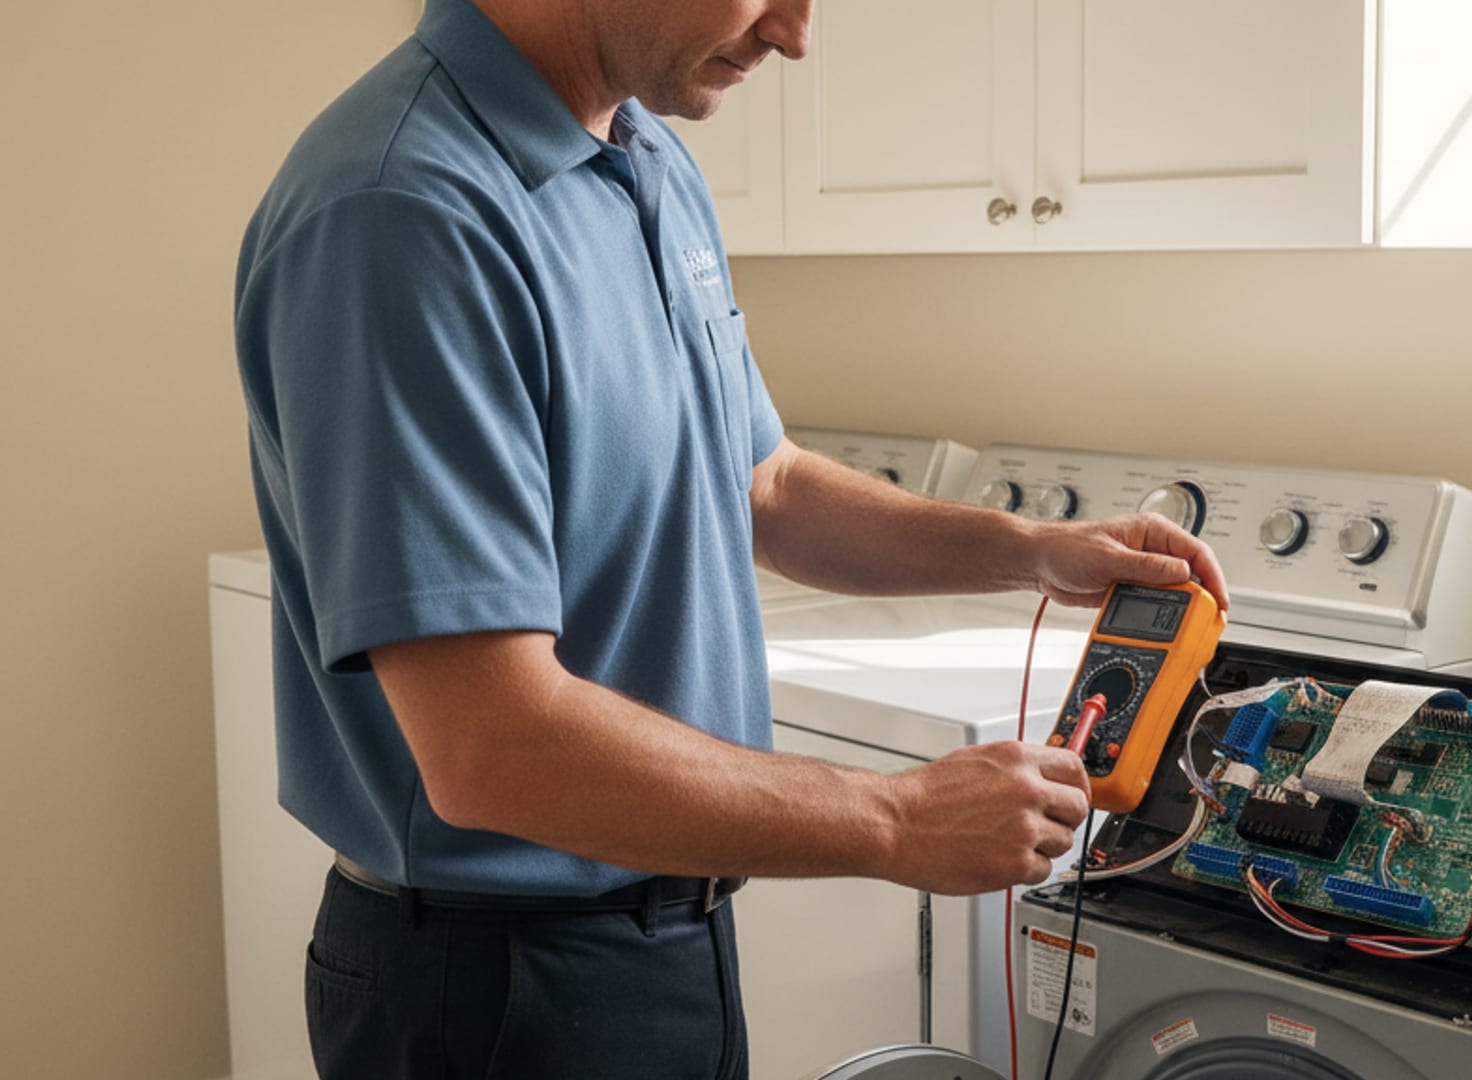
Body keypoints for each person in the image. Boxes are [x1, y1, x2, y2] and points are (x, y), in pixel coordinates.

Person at [233, 0, 1230, 1076]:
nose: (796, 36)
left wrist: (1029, 547)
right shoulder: (403, 212)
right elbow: (492, 748)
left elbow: (766, 484)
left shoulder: (642, 153)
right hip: (498, 987)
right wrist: (897, 819)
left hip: (671, 938)